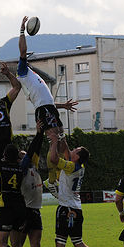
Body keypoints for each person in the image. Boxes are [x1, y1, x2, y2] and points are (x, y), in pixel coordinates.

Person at [39, 133, 107, 247]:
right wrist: (61, 137)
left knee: (60, 242)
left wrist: (54, 141)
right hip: (76, 208)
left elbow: (54, 159)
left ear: (76, 156)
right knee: (77, 242)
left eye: (76, 150)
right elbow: (66, 151)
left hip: (66, 209)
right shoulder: (78, 166)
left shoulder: (71, 166)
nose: (73, 150)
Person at [17, 16, 77, 187]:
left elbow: (44, 100)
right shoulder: (22, 71)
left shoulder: (31, 74)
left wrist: (62, 105)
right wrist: (22, 31)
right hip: (45, 110)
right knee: (54, 138)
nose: (26, 57)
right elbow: (22, 52)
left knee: (62, 140)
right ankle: (53, 180)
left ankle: (63, 175)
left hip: (49, 108)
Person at [0, 122, 45, 247]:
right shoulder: (20, 169)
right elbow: (31, 150)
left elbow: (34, 151)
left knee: (35, 246)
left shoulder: (33, 166)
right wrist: (39, 134)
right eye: (21, 155)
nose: (24, 156)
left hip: (36, 210)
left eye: (24, 155)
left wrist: (40, 135)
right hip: (24, 210)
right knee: (17, 246)